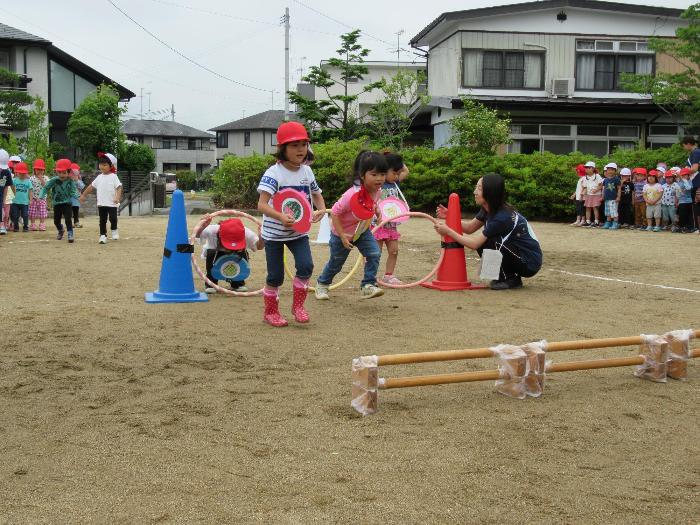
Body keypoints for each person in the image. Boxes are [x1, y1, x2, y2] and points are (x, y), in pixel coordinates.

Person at [256, 121, 326, 327]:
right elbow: (261, 204)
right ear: (283, 149)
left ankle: (298, 307)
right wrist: (279, 216)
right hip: (274, 234)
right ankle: (271, 312)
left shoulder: (306, 172)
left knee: (306, 266)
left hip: (298, 232)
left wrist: (320, 209)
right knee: (275, 276)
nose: (301, 150)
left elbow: (317, 195)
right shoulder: (274, 173)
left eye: (304, 145)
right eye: (294, 145)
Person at [435, 173, 542, 290]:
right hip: (517, 254)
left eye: (479, 189)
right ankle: (502, 276)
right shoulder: (489, 208)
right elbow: (470, 228)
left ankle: (511, 279)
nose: (474, 192)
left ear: (490, 193)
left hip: (529, 262)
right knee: (487, 241)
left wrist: (448, 231)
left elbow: (474, 244)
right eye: (476, 187)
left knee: (490, 240)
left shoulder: (502, 217)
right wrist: (450, 215)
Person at [315, 151, 386, 301]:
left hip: (361, 231)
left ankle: (368, 285)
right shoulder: (350, 195)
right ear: (362, 175)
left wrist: (377, 210)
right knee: (336, 263)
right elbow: (334, 213)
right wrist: (341, 236)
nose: (379, 178)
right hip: (342, 234)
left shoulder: (377, 191)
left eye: (382, 174)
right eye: (374, 174)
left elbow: (371, 204)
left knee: (374, 253)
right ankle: (322, 284)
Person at [197, 217, 264, 293]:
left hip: (236, 255)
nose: (230, 248)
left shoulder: (245, 232)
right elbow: (196, 235)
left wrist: (261, 236)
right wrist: (202, 227)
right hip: (215, 254)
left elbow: (259, 247)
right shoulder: (212, 230)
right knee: (211, 253)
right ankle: (211, 283)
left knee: (242, 253)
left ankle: (237, 282)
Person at [376, 152, 410, 285]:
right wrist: (382, 161)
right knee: (375, 253)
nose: (396, 176)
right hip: (377, 224)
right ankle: (370, 275)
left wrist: (394, 158)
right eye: (394, 173)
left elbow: (406, 170)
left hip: (391, 225)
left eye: (398, 173)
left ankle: (388, 276)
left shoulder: (395, 183)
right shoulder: (378, 182)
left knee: (394, 251)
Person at [79, 152, 122, 244]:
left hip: (112, 203)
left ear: (110, 166)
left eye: (105, 165)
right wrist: (84, 195)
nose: (102, 167)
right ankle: (103, 235)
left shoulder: (114, 177)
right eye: (100, 164)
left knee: (113, 218)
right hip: (101, 203)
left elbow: (119, 188)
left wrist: (117, 198)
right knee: (102, 220)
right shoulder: (99, 177)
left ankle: (114, 230)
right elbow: (91, 186)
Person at [40, 158, 79, 243]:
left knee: (68, 219)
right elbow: (46, 188)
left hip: (67, 203)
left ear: (68, 172)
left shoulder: (70, 181)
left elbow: (73, 191)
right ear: (56, 172)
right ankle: (61, 230)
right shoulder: (54, 180)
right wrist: (41, 195)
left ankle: (70, 233)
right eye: (59, 172)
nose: (62, 175)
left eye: (64, 173)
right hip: (57, 204)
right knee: (56, 221)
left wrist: (78, 197)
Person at [10, 162, 31, 232]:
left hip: (25, 202)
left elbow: (30, 191)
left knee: (25, 215)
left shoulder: (28, 181)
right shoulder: (14, 180)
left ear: (26, 173)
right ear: (17, 173)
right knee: (15, 215)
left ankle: (25, 227)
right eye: (20, 173)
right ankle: (16, 227)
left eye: (24, 173)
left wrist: (30, 199)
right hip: (15, 202)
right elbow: (11, 186)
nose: (22, 175)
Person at [581, 161, 603, 227]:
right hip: (588, 195)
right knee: (587, 208)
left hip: (596, 195)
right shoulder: (585, 177)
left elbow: (601, 185)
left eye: (588, 167)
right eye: (586, 168)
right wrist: (583, 193)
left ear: (593, 168)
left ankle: (596, 222)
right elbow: (585, 187)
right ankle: (588, 221)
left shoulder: (597, 176)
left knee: (595, 208)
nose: (586, 169)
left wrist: (596, 190)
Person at [29, 159, 48, 231]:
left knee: (42, 212)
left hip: (42, 199)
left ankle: (42, 224)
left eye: (41, 169)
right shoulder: (31, 178)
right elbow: (30, 188)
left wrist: (41, 179)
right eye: (38, 169)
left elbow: (46, 186)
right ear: (34, 170)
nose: (40, 171)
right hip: (33, 198)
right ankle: (33, 224)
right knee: (32, 212)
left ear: (44, 170)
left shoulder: (46, 178)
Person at [601, 162, 621, 229]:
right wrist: (602, 196)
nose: (610, 171)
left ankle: (615, 223)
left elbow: (619, 189)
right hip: (607, 198)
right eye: (608, 170)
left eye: (612, 170)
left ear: (615, 171)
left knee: (614, 211)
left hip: (614, 198)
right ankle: (608, 222)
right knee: (608, 211)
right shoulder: (605, 180)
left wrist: (618, 197)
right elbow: (603, 189)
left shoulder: (617, 179)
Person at [0, 149, 13, 235]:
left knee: (2, 211)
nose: (1, 169)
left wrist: (4, 200)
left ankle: (1, 226)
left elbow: (5, 187)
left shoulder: (6, 172)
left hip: (0, 195)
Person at [677, 167, 694, 233]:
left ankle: (689, 227)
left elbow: (689, 188)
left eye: (685, 175)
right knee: (682, 215)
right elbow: (677, 192)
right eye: (682, 175)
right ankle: (682, 227)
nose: (684, 176)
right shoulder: (679, 182)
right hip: (681, 202)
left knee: (689, 215)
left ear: (688, 175)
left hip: (689, 201)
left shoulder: (689, 181)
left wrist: (685, 181)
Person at [70, 163, 84, 228]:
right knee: (69, 211)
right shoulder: (68, 179)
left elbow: (82, 187)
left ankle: (76, 222)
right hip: (69, 198)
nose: (74, 174)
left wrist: (77, 180)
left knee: (76, 211)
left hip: (76, 199)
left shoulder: (79, 179)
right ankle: (69, 223)